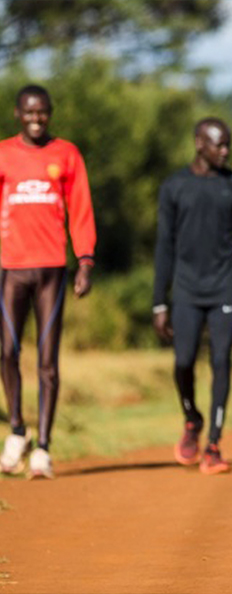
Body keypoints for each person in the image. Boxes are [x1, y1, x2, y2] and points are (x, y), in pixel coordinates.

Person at [0, 85, 96, 479]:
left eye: (43, 113)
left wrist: (85, 260)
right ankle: (17, 431)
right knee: (6, 350)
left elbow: (81, 209)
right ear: (18, 114)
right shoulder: (4, 153)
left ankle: (43, 447)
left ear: (50, 113)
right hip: (11, 268)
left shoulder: (66, 154)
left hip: (51, 270)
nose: (36, 119)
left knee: (47, 362)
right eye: (29, 112)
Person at [153, 117, 232, 476]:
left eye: (228, 144)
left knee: (221, 361)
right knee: (183, 362)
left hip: (225, 287)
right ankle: (192, 419)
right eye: (219, 144)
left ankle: (213, 444)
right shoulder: (174, 187)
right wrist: (159, 301)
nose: (225, 151)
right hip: (185, 290)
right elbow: (164, 246)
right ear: (200, 144)